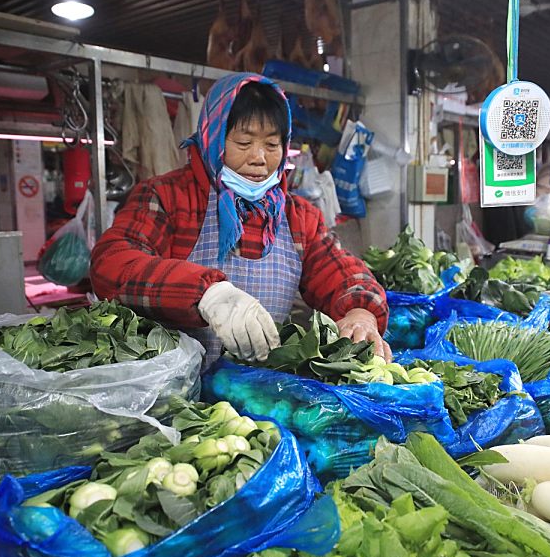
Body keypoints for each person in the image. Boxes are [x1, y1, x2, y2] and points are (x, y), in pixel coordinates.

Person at [91, 73, 391, 367]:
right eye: (244, 143)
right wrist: (205, 293)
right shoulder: (168, 198)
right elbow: (110, 264)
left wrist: (360, 312)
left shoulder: (297, 217)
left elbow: (342, 273)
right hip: (175, 391)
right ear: (213, 138)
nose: (259, 158)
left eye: (272, 145)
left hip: (255, 390)